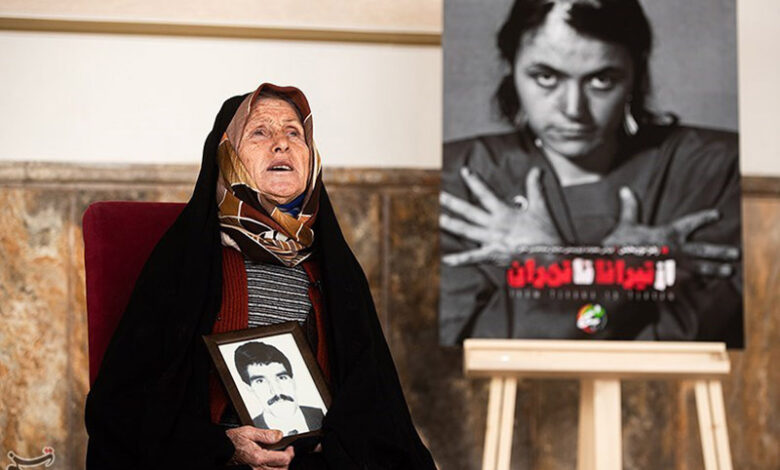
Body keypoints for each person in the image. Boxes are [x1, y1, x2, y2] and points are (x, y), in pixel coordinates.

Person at [85, 83, 436, 470]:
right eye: (260, 132)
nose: (281, 144)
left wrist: (330, 447)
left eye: (294, 133)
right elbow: (124, 410)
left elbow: (378, 414)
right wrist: (223, 447)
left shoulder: (337, 270)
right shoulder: (185, 263)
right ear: (228, 155)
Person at [439, 0, 742, 346]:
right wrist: (622, 274)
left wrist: (553, 274)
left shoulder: (713, 170)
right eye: (546, 77)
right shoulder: (462, 177)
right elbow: (462, 348)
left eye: (602, 80)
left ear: (636, 74)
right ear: (511, 68)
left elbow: (693, 340)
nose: (573, 109)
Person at [233, 341, 324, 435]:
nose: (276, 390)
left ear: (292, 380)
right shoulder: (249, 431)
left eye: (281, 378)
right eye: (260, 381)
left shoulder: (323, 415)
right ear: (249, 388)